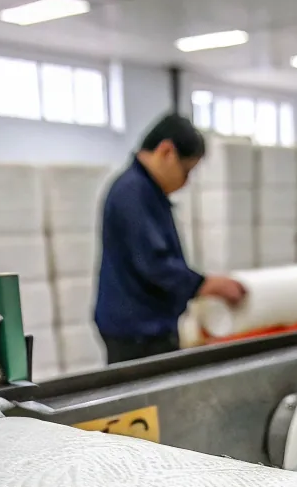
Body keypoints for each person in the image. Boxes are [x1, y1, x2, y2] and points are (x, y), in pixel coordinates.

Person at [95, 114, 245, 363]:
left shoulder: (145, 190)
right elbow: (155, 263)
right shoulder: (133, 192)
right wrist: (206, 285)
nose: (186, 182)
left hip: (142, 326)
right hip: (137, 332)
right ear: (166, 152)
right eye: (186, 171)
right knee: (146, 400)